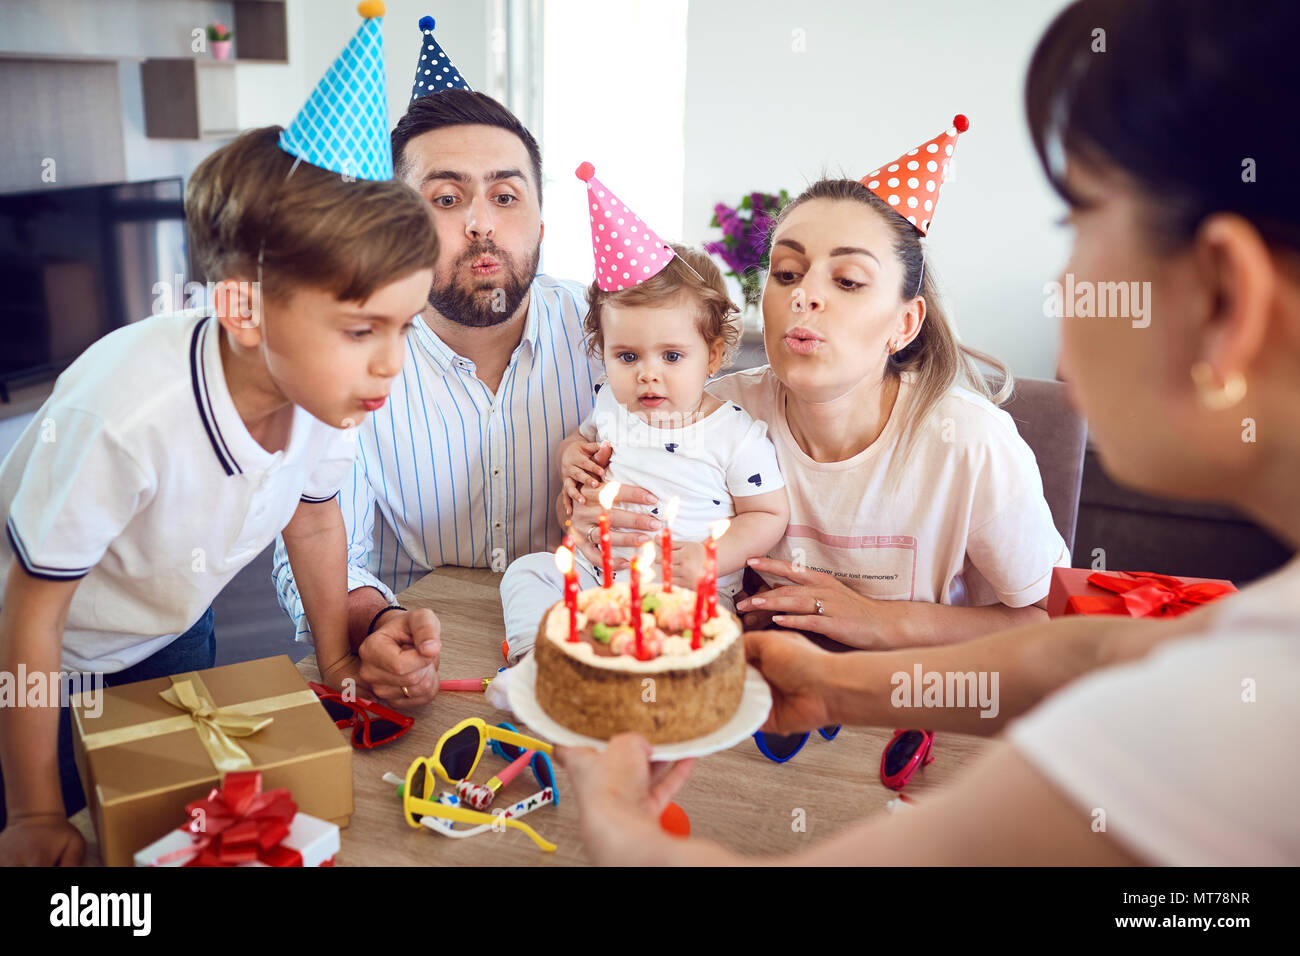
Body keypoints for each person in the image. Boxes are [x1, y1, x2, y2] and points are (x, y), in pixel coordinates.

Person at [559, 0, 1300, 865]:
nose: (1067, 297)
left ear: (1223, 299)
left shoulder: (1244, 724)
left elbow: (1056, 630)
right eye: (788, 271)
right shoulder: (1254, 648)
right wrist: (835, 683)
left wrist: (611, 822)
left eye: (1078, 223)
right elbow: (1103, 646)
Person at [0, 7, 440, 864]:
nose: (392, 364)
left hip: (180, 632)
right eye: (362, 330)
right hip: (54, 662)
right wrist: (32, 815)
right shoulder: (124, 415)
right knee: (78, 843)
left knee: (177, 830)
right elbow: (31, 612)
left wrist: (337, 663)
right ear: (242, 307)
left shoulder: (333, 395)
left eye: (406, 326)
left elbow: (311, 518)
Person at [566, 120, 1068, 652]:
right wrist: (582, 493)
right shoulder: (714, 414)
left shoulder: (970, 443)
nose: (804, 295)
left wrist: (878, 619)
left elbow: (1054, 622)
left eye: (847, 280)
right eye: (786, 273)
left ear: (905, 323)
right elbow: (610, 521)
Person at [272, 88, 606, 702]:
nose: (481, 223)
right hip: (425, 669)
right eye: (447, 199)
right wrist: (371, 625)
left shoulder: (613, 339)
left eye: (506, 197)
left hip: (586, 659)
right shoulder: (345, 363)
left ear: (540, 223)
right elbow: (321, 541)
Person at [499, 164, 789, 662]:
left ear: (713, 355)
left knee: (696, 649)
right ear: (603, 351)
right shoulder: (611, 403)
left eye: (672, 357)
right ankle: (535, 660)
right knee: (526, 571)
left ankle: (629, 670)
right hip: (597, 575)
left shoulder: (735, 435)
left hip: (685, 591)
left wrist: (709, 558)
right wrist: (570, 456)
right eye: (627, 357)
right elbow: (580, 440)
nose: (647, 375)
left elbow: (768, 514)